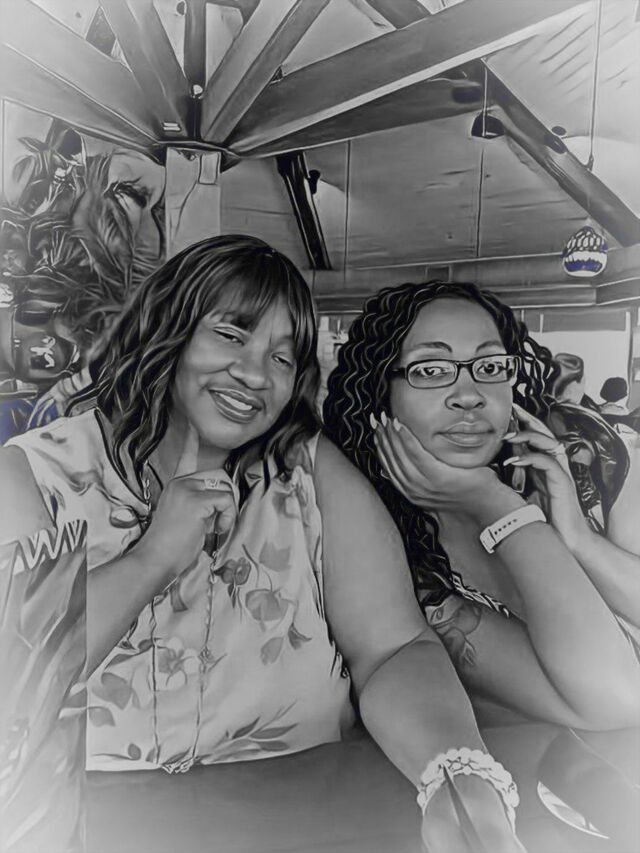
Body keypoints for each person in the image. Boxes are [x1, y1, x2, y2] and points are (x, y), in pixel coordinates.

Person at [0, 237, 525, 852]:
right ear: (166, 330)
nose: (255, 374)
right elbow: (16, 689)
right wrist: (155, 556)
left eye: (282, 357)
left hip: (304, 819)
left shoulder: (308, 470)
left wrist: (457, 775)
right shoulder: (32, 476)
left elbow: (392, 648)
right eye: (231, 334)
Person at [323, 280, 640, 729]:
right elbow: (619, 698)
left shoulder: (586, 453)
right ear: (380, 392)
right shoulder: (393, 554)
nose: (470, 395)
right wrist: (497, 507)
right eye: (431, 370)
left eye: (490, 366)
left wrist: (579, 539)